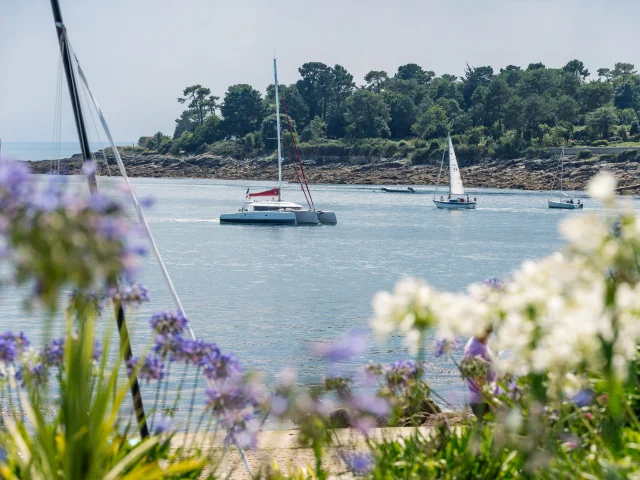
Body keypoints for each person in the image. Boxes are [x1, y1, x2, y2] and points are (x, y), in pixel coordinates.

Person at [463, 325, 497, 420]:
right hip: (484, 403)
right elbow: (479, 380)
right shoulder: (477, 348)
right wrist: (494, 405)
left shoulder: (477, 343)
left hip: (482, 400)